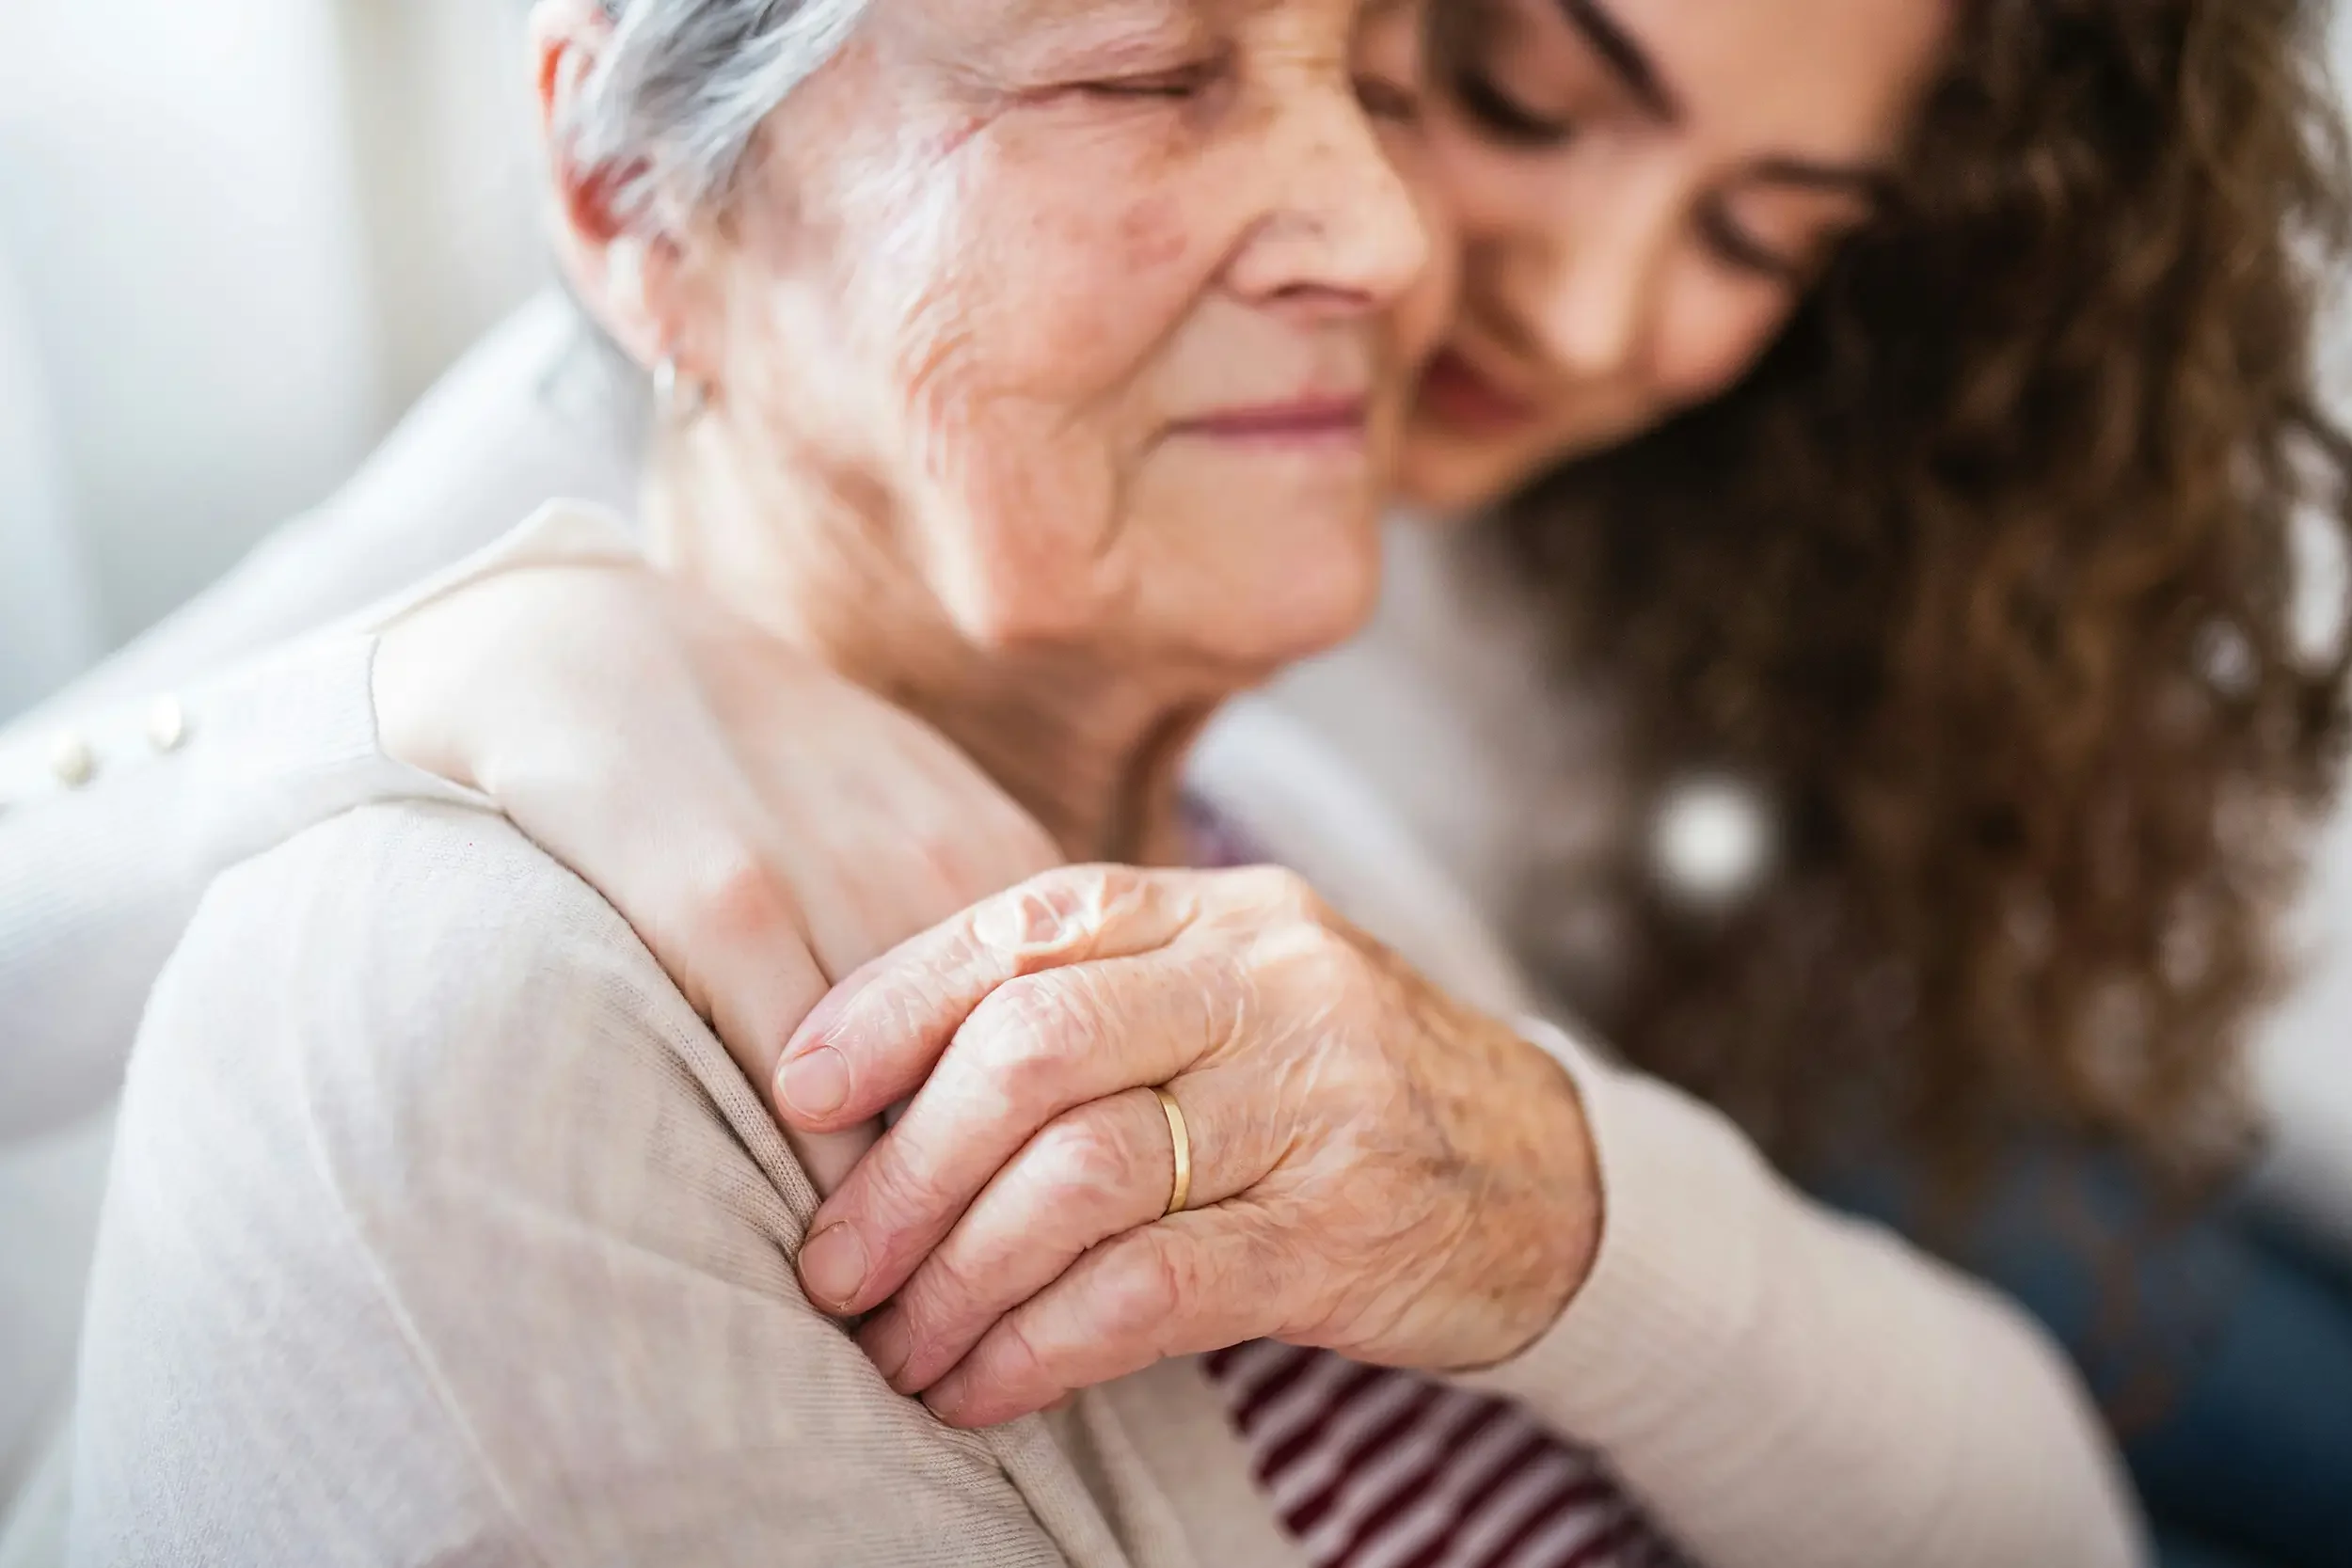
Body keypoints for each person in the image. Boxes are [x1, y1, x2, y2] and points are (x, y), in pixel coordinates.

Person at [6, 0, 2346, 1560]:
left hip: (1694, 1117)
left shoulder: (1331, 740)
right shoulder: (549, 771)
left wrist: (1540, 1184)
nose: (1568, 300)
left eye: (1765, 233)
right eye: (1519, 100)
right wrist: (475, 654)